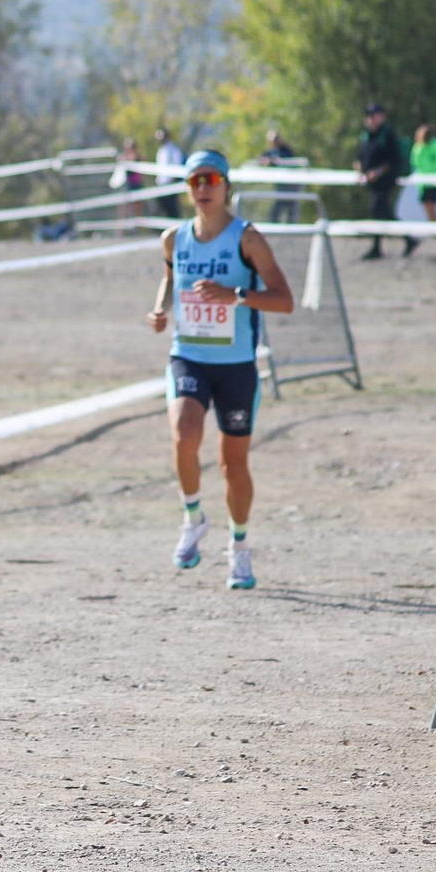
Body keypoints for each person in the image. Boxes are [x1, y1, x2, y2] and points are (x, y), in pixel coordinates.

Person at [145, 150, 294, 590]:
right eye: (194, 182)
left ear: (226, 185)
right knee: (184, 435)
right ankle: (193, 517)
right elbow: (171, 277)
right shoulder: (173, 238)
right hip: (189, 355)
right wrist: (159, 308)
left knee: (233, 463)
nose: (203, 189)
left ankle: (240, 550)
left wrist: (237, 295)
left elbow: (284, 299)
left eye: (210, 179)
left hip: (236, 366)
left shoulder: (246, 238)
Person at [355, 103, 408, 259]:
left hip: (385, 181)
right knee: (385, 212)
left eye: (374, 115)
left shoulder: (388, 134)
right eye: (368, 116)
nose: (370, 119)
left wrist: (377, 172)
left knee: (378, 209)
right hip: (372, 182)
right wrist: (360, 171)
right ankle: (409, 239)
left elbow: (394, 159)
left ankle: (376, 247)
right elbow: (359, 157)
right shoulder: (366, 135)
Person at [258, 129, 301, 223]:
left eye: (276, 139)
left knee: (291, 213)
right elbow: (261, 160)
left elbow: (289, 162)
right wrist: (266, 162)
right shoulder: (269, 152)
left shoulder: (286, 151)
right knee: (275, 213)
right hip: (279, 189)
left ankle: (291, 233)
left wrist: (275, 162)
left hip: (291, 188)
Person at [411, 124, 436, 226]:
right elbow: (414, 162)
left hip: (434, 181)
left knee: (433, 206)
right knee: (426, 205)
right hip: (422, 183)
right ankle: (432, 227)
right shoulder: (418, 147)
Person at [154, 127, 185, 218]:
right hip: (161, 184)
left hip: (170, 184)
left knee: (172, 209)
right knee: (161, 208)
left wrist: (173, 180)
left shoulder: (174, 150)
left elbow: (177, 165)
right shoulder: (161, 151)